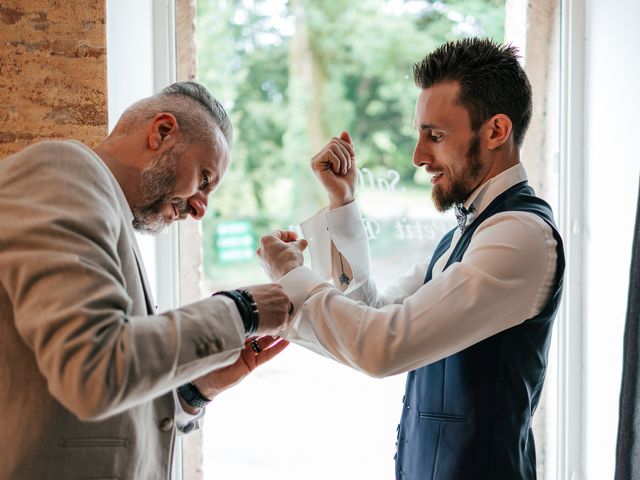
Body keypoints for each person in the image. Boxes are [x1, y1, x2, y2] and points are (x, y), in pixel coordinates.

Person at [257, 38, 565, 479]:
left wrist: (290, 275)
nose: (419, 157)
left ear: (497, 131)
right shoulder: (468, 233)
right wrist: (343, 205)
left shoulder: (519, 236)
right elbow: (373, 314)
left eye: (435, 136)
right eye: (420, 134)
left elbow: (382, 347)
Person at [0, 81, 293, 479]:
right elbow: (93, 370)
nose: (200, 208)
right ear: (162, 132)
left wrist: (194, 390)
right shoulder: (62, 173)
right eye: (204, 179)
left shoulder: (104, 207)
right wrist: (242, 310)